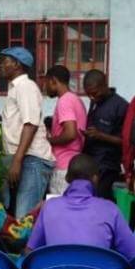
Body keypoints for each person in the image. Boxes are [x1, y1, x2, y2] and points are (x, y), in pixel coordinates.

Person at [26, 154, 135, 260]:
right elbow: (134, 254)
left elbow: (29, 252)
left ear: (67, 178)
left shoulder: (49, 206)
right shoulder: (110, 209)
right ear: (95, 179)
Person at [0, 47, 54, 217]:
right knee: (16, 217)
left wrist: (17, 160)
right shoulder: (15, 88)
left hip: (32, 160)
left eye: (5, 61)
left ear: (17, 64)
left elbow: (30, 124)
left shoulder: (26, 86)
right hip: (23, 159)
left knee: (24, 219)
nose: (1, 65)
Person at [82, 69, 128, 201]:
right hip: (91, 164)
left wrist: (100, 136)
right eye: (88, 95)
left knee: (100, 202)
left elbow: (125, 141)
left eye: (95, 93)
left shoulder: (121, 106)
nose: (92, 97)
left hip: (107, 167)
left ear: (104, 85)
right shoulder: (94, 102)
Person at [45, 65, 87, 195]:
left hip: (63, 165)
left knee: (59, 208)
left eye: (46, 83)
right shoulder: (76, 100)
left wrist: (49, 140)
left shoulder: (64, 101)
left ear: (53, 81)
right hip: (74, 163)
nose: (45, 88)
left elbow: (70, 134)